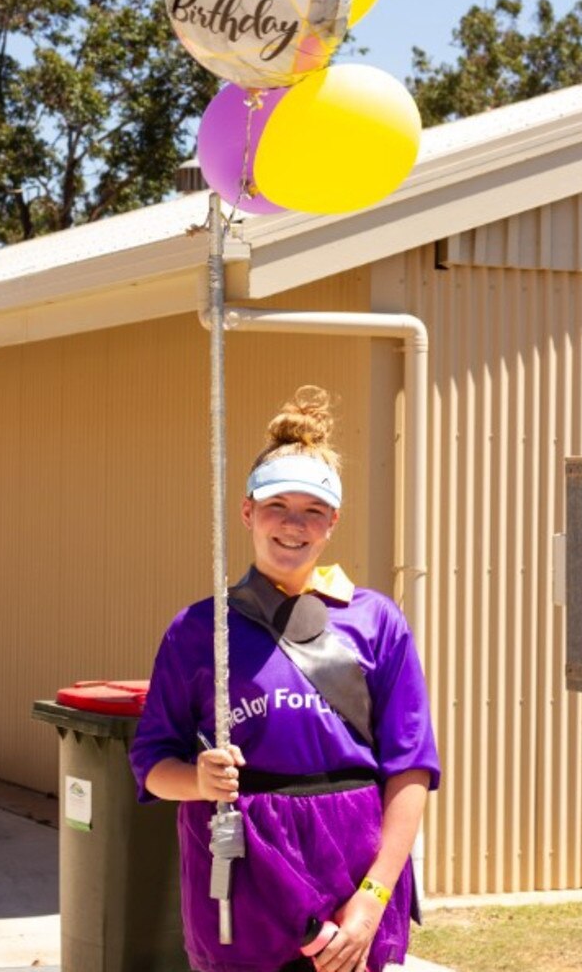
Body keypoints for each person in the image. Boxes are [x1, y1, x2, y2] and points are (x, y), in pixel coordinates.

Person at [130, 386, 440, 972]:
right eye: (277, 506)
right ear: (247, 511)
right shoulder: (201, 629)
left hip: (354, 864)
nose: (293, 526)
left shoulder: (376, 621)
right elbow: (151, 765)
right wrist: (199, 780)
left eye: (312, 511)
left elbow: (411, 769)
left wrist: (371, 902)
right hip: (240, 872)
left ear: (332, 523)